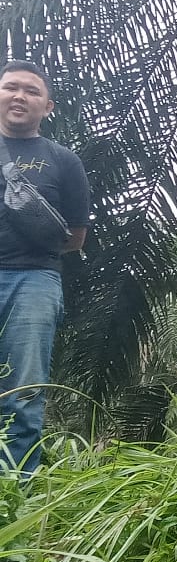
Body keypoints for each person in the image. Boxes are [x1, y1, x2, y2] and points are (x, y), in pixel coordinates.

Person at [0, 61, 91, 480]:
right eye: (11, 87)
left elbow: (75, 235)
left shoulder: (63, 160)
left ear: (48, 105)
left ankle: (14, 499)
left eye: (31, 91)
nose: (19, 96)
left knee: (23, 392)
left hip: (34, 280)